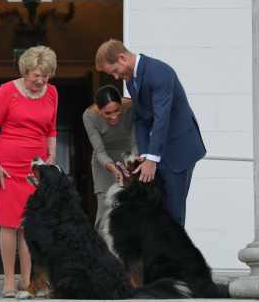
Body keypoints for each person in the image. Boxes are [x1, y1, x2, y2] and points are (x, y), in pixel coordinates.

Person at [95, 39, 206, 227]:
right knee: (156, 211)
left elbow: (163, 117)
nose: (115, 77)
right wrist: (145, 154)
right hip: (157, 150)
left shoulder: (160, 72)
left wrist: (152, 159)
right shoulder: (131, 79)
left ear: (122, 58)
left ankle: (175, 255)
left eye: (114, 71)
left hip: (179, 149)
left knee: (173, 212)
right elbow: (141, 119)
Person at [0, 46, 58, 299]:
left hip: (35, 169)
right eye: (36, 76)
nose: (40, 81)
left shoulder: (52, 93)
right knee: (8, 223)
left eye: (45, 76)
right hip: (7, 167)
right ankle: (8, 280)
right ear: (25, 71)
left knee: (30, 225)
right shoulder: (7, 90)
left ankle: (26, 279)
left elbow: (51, 129)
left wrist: (52, 156)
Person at [82, 85, 136, 238]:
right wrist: (112, 167)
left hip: (129, 157)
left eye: (117, 110)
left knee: (130, 207)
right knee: (105, 210)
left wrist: (131, 163)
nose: (113, 116)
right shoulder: (89, 116)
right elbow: (99, 151)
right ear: (99, 110)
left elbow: (135, 142)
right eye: (107, 113)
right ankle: (102, 254)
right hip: (104, 164)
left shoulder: (132, 107)